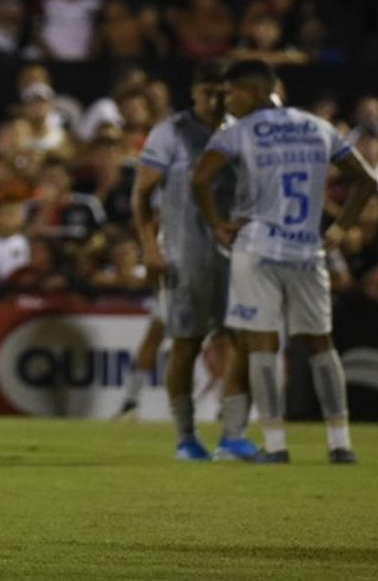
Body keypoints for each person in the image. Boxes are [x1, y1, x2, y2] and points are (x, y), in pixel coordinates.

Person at [192, 59, 376, 464]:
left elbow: (200, 178)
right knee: (321, 345)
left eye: (232, 93)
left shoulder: (239, 131)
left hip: (258, 247)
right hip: (308, 250)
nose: (227, 102)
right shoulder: (319, 127)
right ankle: (340, 443)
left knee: (261, 345)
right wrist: (341, 228)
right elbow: (366, 181)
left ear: (255, 93)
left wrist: (217, 224)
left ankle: (276, 446)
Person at [132, 60, 258, 461]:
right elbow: (141, 194)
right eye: (209, 91)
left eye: (224, 91)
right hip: (186, 254)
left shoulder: (244, 131)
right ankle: (185, 437)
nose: (217, 99)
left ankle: (234, 434)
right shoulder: (172, 132)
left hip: (240, 253)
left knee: (244, 340)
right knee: (186, 342)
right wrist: (150, 248)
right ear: (193, 92)